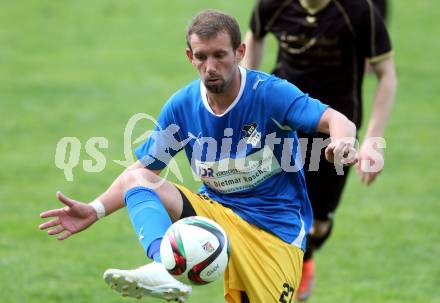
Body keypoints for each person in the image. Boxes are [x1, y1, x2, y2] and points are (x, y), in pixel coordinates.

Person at [39, 9, 358, 303]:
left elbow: (336, 120)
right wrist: (94, 210)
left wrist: (342, 142)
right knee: (140, 179)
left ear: (240, 52)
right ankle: (164, 268)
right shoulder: (181, 108)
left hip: (275, 234)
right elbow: (141, 171)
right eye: (202, 57)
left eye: (220, 55)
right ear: (190, 57)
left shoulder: (270, 94)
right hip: (217, 215)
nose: (211, 67)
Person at [243, 0, 397, 301]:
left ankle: (307, 254)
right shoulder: (272, 5)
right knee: (269, 202)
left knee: (319, 222)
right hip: (282, 115)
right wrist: (247, 98)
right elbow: (255, 35)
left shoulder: (359, 11)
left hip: (336, 127)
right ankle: (269, 278)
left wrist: (373, 141)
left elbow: (386, 74)